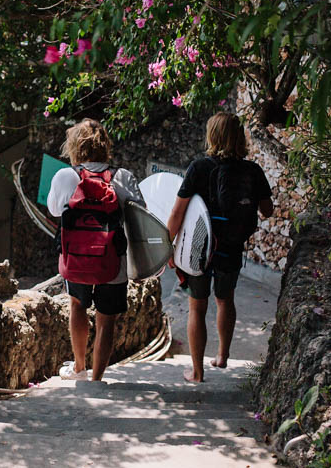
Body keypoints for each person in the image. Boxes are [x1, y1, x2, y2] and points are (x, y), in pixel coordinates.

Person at [166, 111, 273, 383]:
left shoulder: (200, 168)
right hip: (231, 247)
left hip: (199, 248)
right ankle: (223, 355)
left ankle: (197, 372)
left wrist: (168, 247)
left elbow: (178, 213)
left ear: (212, 135)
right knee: (225, 299)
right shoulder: (252, 170)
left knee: (197, 307)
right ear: (239, 137)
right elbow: (267, 210)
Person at [47, 118, 141, 382]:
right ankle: (97, 379)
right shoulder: (122, 177)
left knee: (77, 306)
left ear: (75, 146)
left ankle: (79, 368)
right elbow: (140, 217)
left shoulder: (66, 175)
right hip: (112, 262)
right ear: (105, 146)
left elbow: (54, 210)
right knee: (106, 320)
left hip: (76, 259)